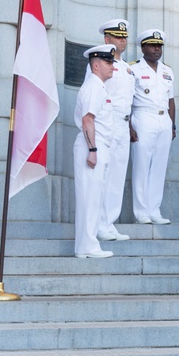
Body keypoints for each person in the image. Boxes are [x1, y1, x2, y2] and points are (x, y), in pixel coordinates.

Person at [127, 30, 175, 225]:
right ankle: (141, 213)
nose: (157, 49)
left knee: (159, 167)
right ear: (143, 47)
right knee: (141, 166)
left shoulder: (167, 71)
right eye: (153, 45)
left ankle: (154, 210)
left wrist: (172, 125)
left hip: (163, 119)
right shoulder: (133, 70)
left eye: (160, 46)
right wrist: (129, 126)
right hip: (143, 116)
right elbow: (127, 99)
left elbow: (171, 100)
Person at [73, 44, 116, 259]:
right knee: (90, 198)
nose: (112, 67)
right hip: (93, 145)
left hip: (98, 145)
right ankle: (89, 246)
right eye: (109, 63)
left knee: (92, 198)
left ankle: (84, 247)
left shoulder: (99, 86)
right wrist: (92, 149)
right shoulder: (94, 87)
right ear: (96, 65)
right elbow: (87, 119)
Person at [95, 20, 133, 241]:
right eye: (118, 37)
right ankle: (99, 222)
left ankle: (109, 222)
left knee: (118, 175)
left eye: (125, 37)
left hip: (123, 124)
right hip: (107, 123)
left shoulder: (128, 68)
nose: (123, 40)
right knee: (105, 174)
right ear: (107, 39)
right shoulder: (99, 63)